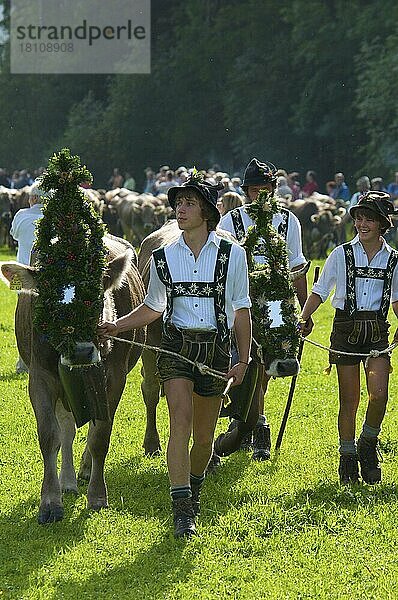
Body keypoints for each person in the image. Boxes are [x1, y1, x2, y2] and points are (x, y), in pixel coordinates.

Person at [98, 173, 252, 538]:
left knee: (204, 438)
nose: (180, 210)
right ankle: (182, 508)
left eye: (189, 204)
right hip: (176, 350)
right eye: (178, 203)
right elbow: (153, 306)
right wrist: (116, 326)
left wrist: (242, 359)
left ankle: (194, 487)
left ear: (208, 213)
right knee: (179, 424)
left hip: (215, 350)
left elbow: (242, 308)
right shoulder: (164, 255)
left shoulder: (234, 255)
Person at [299, 191, 398, 484]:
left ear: (382, 224)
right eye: (359, 218)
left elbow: (396, 301)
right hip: (345, 330)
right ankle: (347, 457)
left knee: (379, 395)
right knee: (349, 399)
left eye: (370, 219)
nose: (362, 224)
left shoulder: (393, 259)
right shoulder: (341, 254)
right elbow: (319, 290)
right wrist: (304, 317)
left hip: (377, 331)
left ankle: (368, 443)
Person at [218, 157, 311, 460]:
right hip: (240, 298)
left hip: (274, 300)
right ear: (246, 192)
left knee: (266, 361)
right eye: (254, 190)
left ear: (274, 189)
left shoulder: (288, 220)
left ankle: (255, 421)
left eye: (266, 189)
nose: (261, 196)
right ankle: (249, 419)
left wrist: (302, 312)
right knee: (241, 358)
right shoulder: (230, 220)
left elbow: (297, 267)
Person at [10, 180, 53, 373]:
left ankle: (23, 361)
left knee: (23, 312)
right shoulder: (53, 218)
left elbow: (14, 235)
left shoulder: (21, 215)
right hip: (47, 276)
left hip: (22, 274)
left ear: (34, 198)